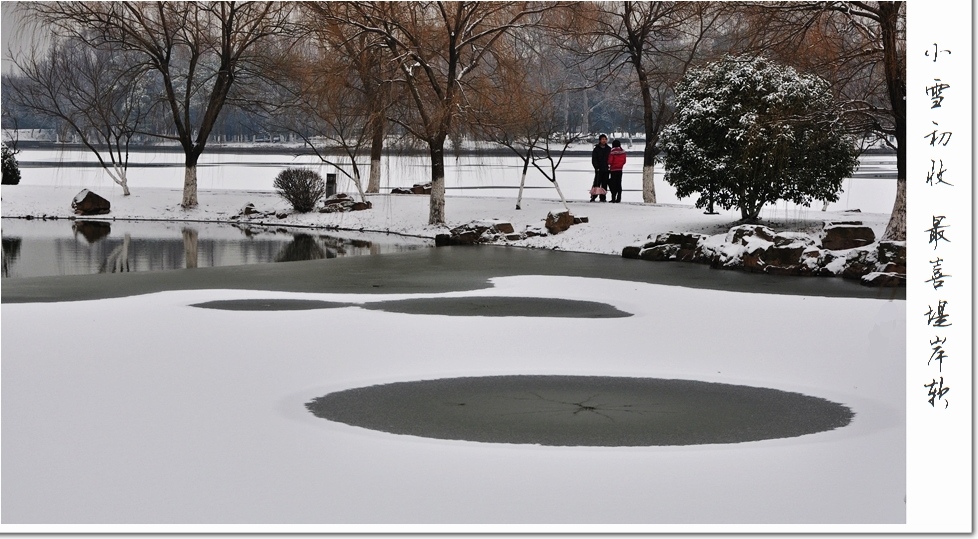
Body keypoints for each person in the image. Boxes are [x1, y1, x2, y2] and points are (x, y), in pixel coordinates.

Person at [590, 134, 611, 202]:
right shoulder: (596, 149)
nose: (604, 140)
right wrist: (596, 167)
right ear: (600, 140)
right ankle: (594, 196)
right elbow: (594, 159)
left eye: (605, 139)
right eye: (602, 139)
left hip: (606, 169)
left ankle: (603, 197)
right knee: (597, 183)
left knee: (604, 183)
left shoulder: (609, 149)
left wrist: (609, 166)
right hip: (598, 169)